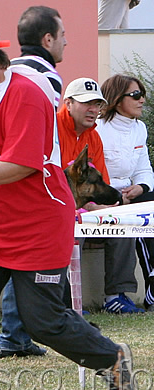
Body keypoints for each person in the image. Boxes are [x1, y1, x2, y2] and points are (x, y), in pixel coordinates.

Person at [0, 20, 135, 390]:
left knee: (42, 321)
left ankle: (111, 359)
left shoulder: (23, 94)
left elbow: (24, 163)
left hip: (37, 225)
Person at [0, 5, 68, 359]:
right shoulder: (46, 76)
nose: (66, 44)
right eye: (63, 35)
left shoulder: (7, 70)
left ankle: (14, 336)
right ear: (47, 39)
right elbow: (40, 137)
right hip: (22, 177)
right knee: (16, 260)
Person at [61, 77, 142, 314]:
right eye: (87, 103)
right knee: (74, 229)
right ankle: (69, 300)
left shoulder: (94, 136)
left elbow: (101, 184)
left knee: (122, 223)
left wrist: (101, 208)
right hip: (57, 208)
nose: (93, 110)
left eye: (97, 104)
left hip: (85, 208)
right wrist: (85, 210)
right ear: (68, 103)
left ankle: (116, 296)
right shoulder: (51, 129)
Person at [97, 74, 154, 311]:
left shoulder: (139, 128)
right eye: (136, 95)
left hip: (129, 194)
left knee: (148, 202)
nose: (142, 100)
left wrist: (140, 187)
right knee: (126, 220)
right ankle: (114, 297)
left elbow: (144, 169)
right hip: (103, 194)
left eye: (143, 94)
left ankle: (150, 287)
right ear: (117, 99)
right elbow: (92, 170)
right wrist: (116, 194)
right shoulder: (98, 127)